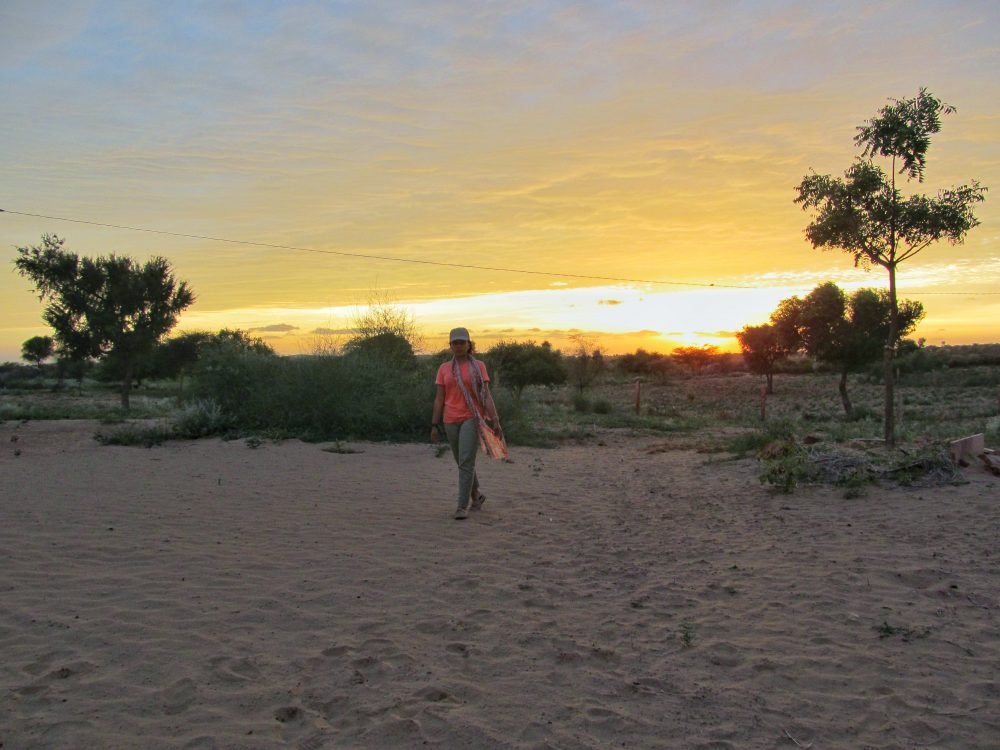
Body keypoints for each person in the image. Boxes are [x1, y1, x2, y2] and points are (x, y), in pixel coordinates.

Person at [431, 327, 502, 520]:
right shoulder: (444, 368)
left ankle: (462, 506)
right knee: (462, 461)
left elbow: (486, 394)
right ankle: (477, 495)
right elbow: (439, 398)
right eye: (455, 342)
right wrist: (434, 425)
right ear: (450, 345)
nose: (459, 345)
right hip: (449, 420)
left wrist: (495, 419)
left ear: (469, 344)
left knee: (465, 462)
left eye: (462, 342)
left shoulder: (479, 366)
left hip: (472, 417)